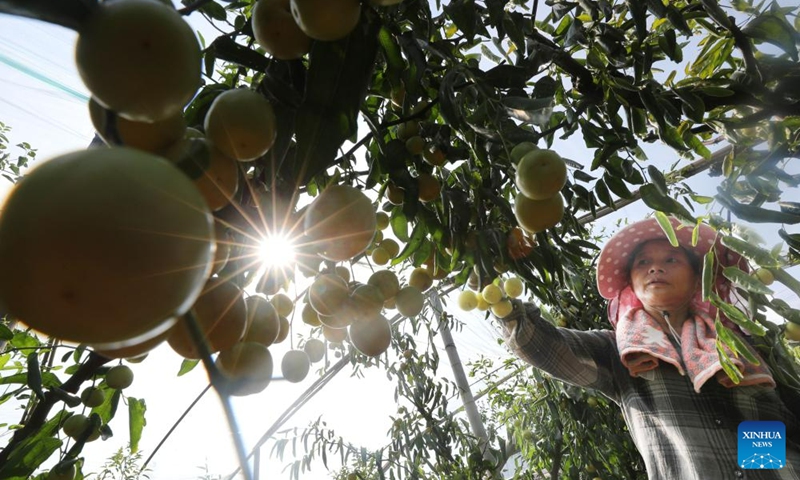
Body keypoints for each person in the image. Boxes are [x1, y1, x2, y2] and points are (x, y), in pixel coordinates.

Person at [497, 215, 800, 479]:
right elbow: (545, 346)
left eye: (671, 259)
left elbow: (777, 420)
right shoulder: (622, 353)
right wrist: (503, 305)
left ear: (698, 278)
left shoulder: (741, 343)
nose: (655, 268)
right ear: (630, 282)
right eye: (643, 262)